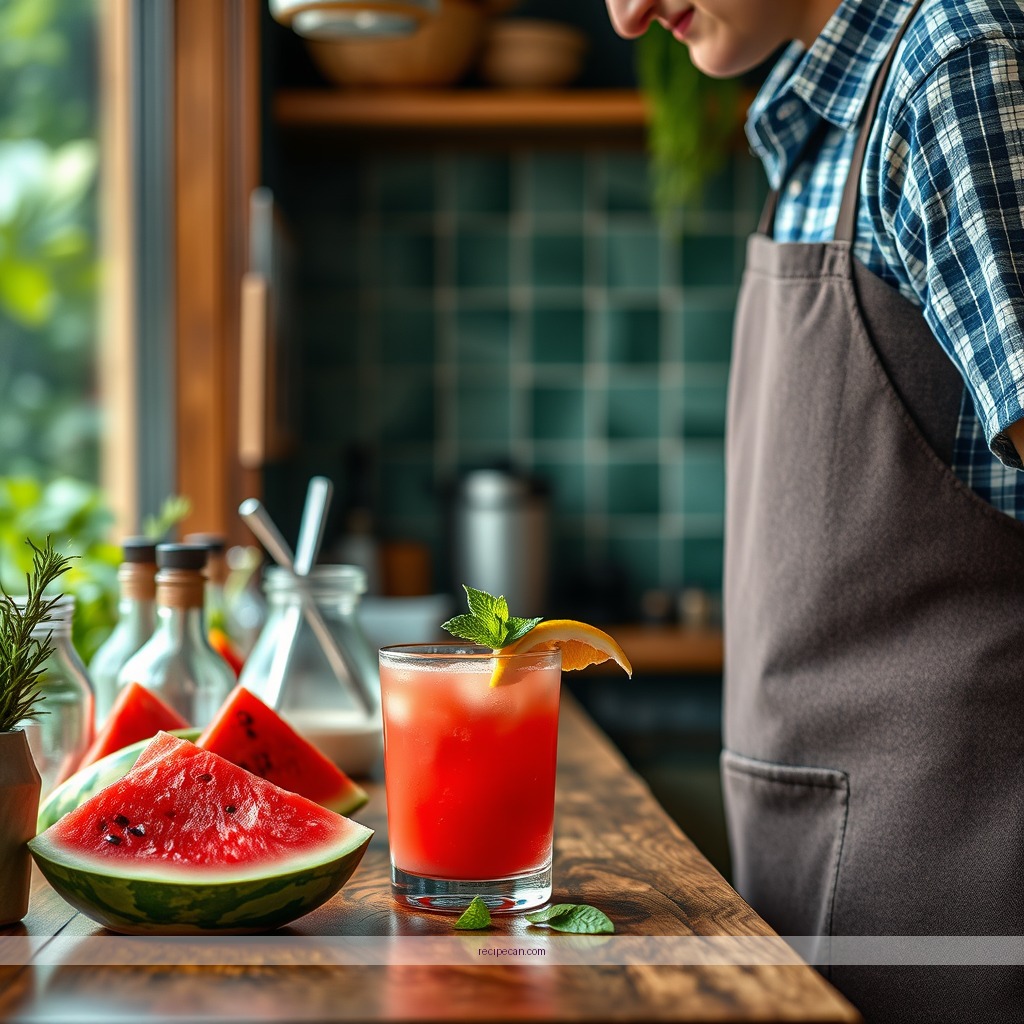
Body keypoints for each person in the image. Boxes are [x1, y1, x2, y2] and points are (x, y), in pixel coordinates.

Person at [605, 2, 1024, 1022]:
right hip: (810, 872)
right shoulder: (814, 124)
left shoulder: (946, 64)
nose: (624, 15)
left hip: (950, 899)